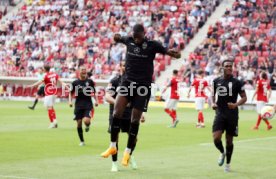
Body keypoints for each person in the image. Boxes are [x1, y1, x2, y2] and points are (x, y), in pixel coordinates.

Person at [101, 24, 181, 167]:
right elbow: (118, 38)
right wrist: (117, 37)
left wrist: (174, 54)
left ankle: (127, 152)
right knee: (116, 112)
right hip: (127, 83)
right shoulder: (129, 40)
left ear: (144, 35)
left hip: (143, 86)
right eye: (135, 37)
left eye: (139, 38)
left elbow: (167, 51)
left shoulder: (152, 45)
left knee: (135, 120)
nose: (136, 40)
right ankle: (113, 146)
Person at [105, 61, 145, 172]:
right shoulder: (114, 81)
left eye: (127, 65)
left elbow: (139, 99)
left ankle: (129, 155)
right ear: (120, 67)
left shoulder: (134, 82)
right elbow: (107, 97)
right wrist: (119, 103)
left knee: (134, 139)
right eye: (123, 65)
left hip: (129, 114)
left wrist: (142, 113)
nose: (125, 67)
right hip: (116, 113)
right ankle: (114, 163)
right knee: (115, 138)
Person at [211, 60, 247, 172]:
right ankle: (222, 152)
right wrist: (213, 103)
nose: (229, 68)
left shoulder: (237, 82)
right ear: (222, 68)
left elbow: (244, 97)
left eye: (230, 66)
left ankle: (228, 165)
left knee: (229, 141)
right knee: (216, 138)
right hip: (220, 113)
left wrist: (235, 104)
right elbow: (213, 94)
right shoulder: (216, 81)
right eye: (226, 66)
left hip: (232, 115)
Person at [68, 66, 98, 146]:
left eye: (85, 70)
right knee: (79, 123)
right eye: (82, 70)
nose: (84, 71)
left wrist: (96, 101)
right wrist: (70, 101)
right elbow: (70, 93)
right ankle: (82, 141)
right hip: (78, 105)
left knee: (86, 121)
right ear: (79, 71)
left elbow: (94, 92)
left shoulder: (90, 81)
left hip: (88, 104)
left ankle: (88, 125)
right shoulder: (75, 82)